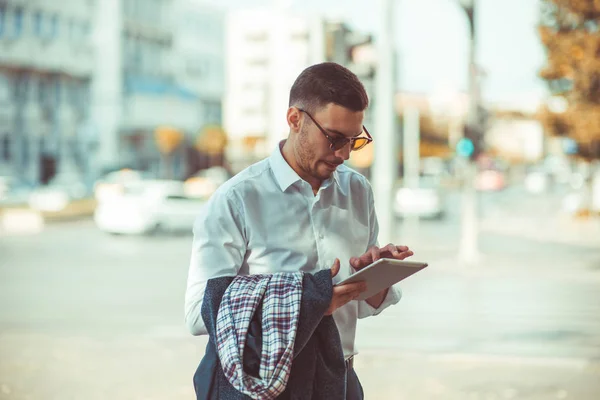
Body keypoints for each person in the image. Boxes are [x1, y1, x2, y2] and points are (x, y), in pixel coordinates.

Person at [185, 62, 414, 399]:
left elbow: (360, 307)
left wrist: (371, 278)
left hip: (341, 378)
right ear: (295, 120)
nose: (344, 154)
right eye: (335, 139)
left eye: (355, 141)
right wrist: (308, 301)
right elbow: (198, 315)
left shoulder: (358, 191)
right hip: (266, 384)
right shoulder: (237, 199)